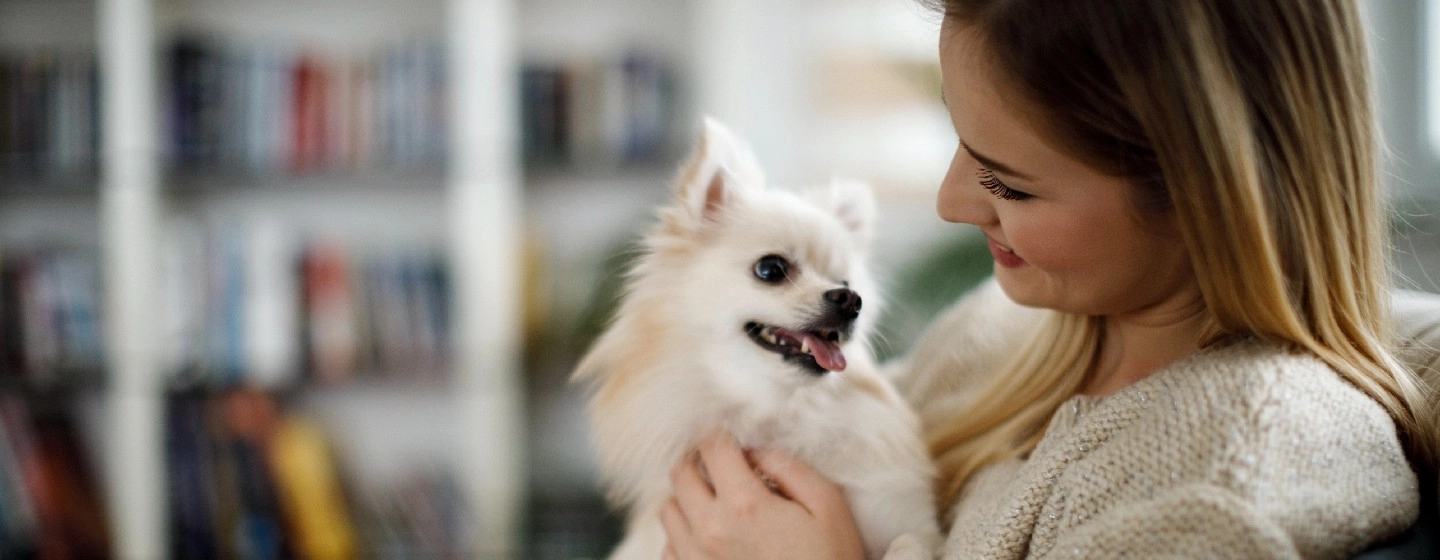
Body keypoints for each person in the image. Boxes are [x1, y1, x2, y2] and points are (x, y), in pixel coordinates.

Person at [657, 0, 1440, 558]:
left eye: (1010, 183)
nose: (950, 202)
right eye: (962, 142)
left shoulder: (1230, 481)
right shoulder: (989, 336)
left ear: (1209, 197)